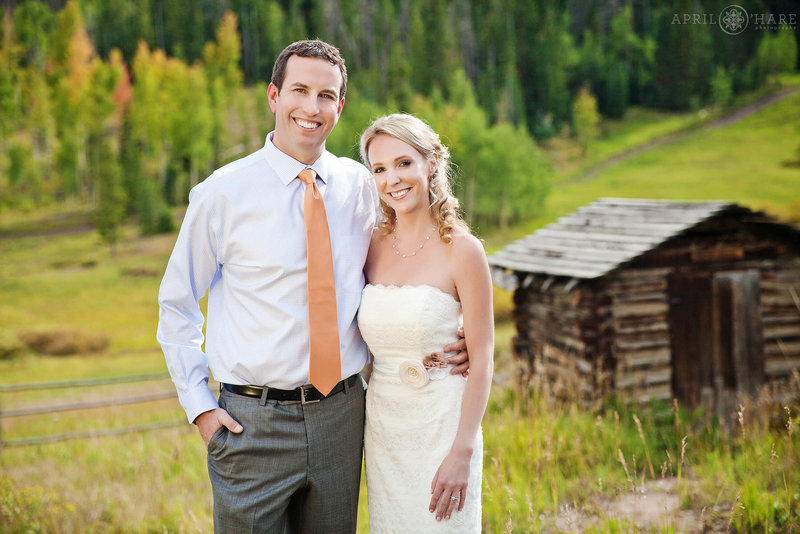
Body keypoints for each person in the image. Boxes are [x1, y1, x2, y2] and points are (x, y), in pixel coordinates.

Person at [156, 41, 468, 533]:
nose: (312, 107)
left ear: (340, 106)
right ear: (274, 96)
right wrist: (200, 409)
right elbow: (176, 305)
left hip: (343, 417)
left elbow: (413, 258)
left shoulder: (362, 187)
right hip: (250, 423)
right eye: (299, 90)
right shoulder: (221, 194)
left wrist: (453, 331)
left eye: (327, 95)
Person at [357, 113, 494, 532]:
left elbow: (484, 355)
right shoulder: (369, 245)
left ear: (431, 162)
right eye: (379, 169)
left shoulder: (463, 250)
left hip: (443, 426)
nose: (392, 179)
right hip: (384, 427)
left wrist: (462, 451)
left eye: (403, 163)